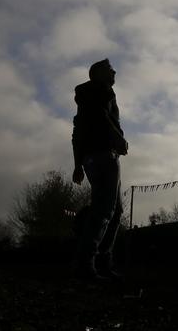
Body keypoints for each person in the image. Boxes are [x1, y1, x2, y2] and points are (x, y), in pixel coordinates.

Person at [72, 58, 128, 281]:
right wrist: (118, 139)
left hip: (96, 157)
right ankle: (86, 265)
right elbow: (101, 118)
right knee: (105, 210)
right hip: (104, 155)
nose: (114, 72)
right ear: (98, 74)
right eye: (109, 69)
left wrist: (78, 164)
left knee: (114, 211)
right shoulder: (101, 92)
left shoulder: (87, 99)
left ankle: (101, 263)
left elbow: (77, 133)